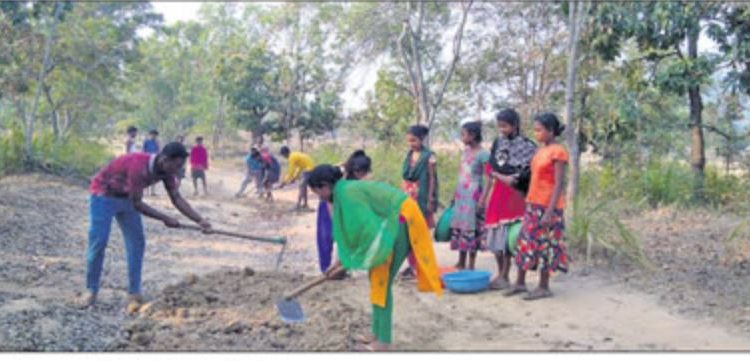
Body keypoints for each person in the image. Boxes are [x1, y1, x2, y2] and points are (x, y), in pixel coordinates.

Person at [308, 165, 442, 351]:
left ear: (324, 186)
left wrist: (347, 264)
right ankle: (377, 333)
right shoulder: (342, 192)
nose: (319, 197)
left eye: (316, 192)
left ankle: (383, 342)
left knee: (381, 280)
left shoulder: (347, 194)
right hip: (392, 220)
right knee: (376, 278)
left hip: (402, 220)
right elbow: (353, 235)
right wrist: (340, 262)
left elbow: (366, 232)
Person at [81, 142, 212, 310]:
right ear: (165, 159)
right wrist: (165, 218)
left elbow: (176, 198)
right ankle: (91, 290)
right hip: (103, 195)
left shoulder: (166, 172)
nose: (178, 169)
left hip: (126, 197)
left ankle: (134, 292)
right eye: (177, 165)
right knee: (99, 241)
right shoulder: (138, 166)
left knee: (137, 242)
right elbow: (138, 204)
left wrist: (200, 220)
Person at [504, 112, 570, 301]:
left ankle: (543, 286)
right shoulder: (540, 151)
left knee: (545, 245)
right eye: (535, 130)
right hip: (533, 203)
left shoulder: (558, 151)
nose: (536, 134)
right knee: (526, 242)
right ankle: (520, 283)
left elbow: (558, 183)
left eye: (539, 130)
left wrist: (549, 211)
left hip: (549, 206)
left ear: (551, 131)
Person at [483, 109, 537, 290]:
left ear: (515, 125)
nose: (502, 129)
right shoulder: (498, 143)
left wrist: (503, 176)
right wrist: (486, 194)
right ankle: (501, 274)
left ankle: (506, 275)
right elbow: (492, 168)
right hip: (498, 193)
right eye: (499, 126)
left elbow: (527, 175)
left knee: (508, 237)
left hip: (515, 195)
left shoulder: (528, 146)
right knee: (495, 234)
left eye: (505, 126)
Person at [316, 150, 372, 279]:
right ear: (354, 169)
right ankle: (325, 269)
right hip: (327, 205)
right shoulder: (339, 174)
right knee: (326, 237)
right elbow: (330, 200)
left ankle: (340, 268)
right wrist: (335, 219)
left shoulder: (359, 180)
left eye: (364, 173)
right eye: (359, 173)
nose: (361, 175)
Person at [449, 121, 491, 270]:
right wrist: (455, 194)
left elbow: (489, 178)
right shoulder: (466, 151)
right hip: (462, 194)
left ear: (472, 136)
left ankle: (471, 265)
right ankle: (461, 261)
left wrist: (483, 199)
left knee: (472, 227)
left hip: (474, 194)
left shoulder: (483, 154)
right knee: (461, 226)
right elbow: (461, 174)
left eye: (463, 134)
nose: (462, 137)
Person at [400, 125, 439, 280]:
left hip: (421, 199)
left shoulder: (429, 156)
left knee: (420, 233)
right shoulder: (409, 155)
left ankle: (421, 265)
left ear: (421, 139)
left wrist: (430, 199)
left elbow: (432, 179)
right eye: (409, 140)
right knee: (408, 233)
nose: (411, 143)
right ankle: (412, 265)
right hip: (408, 198)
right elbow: (404, 177)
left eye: (414, 140)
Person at [278, 146, 316, 211]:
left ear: (285, 153)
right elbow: (300, 167)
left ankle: (298, 205)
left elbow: (290, 171)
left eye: (283, 155)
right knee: (303, 187)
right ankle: (305, 205)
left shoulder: (291, 157)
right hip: (309, 169)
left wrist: (284, 182)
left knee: (301, 186)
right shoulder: (294, 155)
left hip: (308, 170)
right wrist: (295, 178)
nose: (283, 157)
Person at [143, 130, 161, 196]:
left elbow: (158, 151)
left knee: (153, 176)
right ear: (150, 134)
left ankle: (152, 191)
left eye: (155, 135)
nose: (154, 136)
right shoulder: (146, 142)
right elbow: (143, 151)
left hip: (154, 160)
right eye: (153, 134)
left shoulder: (156, 142)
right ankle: (145, 191)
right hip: (147, 160)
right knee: (145, 175)